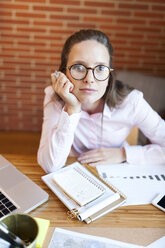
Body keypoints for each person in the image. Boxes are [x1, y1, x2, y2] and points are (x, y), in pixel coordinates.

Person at [37, 29, 165, 173]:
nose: (89, 79)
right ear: (63, 72)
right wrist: (71, 108)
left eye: (100, 68)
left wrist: (123, 154)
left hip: (119, 172)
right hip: (74, 172)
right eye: (79, 67)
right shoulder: (54, 97)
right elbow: (49, 165)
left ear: (109, 75)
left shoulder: (132, 101)